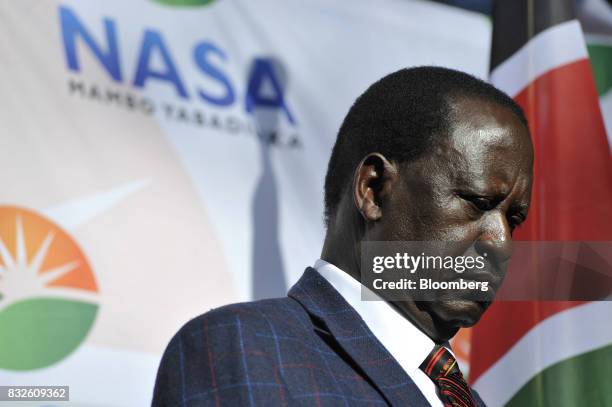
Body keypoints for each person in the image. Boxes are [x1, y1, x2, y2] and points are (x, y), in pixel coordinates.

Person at [152, 66, 533, 406]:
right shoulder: (246, 349)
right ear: (374, 189)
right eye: (479, 202)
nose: (501, 242)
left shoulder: (466, 400)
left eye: (513, 219)